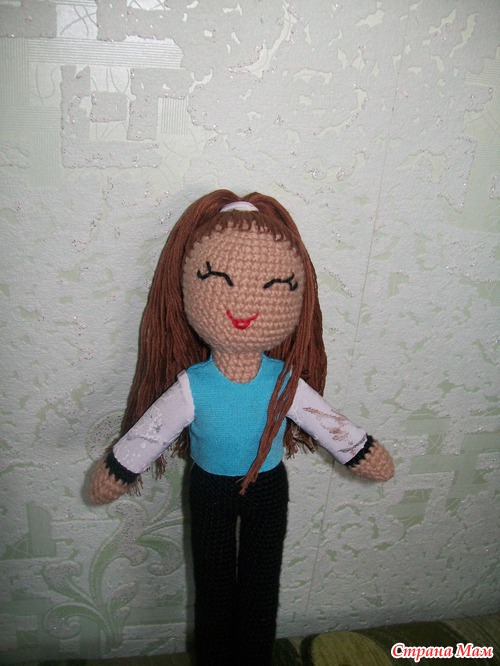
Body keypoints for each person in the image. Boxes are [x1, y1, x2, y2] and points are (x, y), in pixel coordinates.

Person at [88, 190, 394, 665]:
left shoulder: (283, 381)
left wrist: (360, 450)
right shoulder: (195, 385)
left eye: (275, 285)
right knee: (212, 584)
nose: (245, 305)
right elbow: (153, 430)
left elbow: (325, 421)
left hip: (267, 486)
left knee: (261, 584)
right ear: (187, 291)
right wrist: (119, 468)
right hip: (210, 488)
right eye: (219, 281)